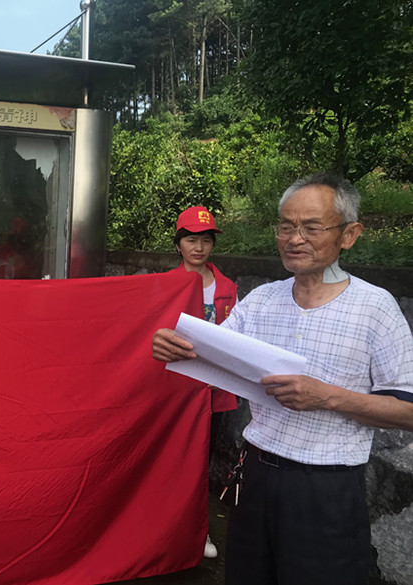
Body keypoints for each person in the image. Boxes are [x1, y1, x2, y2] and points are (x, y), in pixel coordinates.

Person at [152, 173, 413, 585]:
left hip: (325, 489)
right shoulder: (261, 301)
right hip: (255, 475)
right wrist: (174, 345)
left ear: (349, 235)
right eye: (286, 226)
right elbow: (212, 353)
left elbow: (407, 411)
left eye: (312, 227)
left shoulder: (375, 308)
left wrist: (327, 397)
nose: (295, 239)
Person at [171, 206, 238, 558]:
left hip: (213, 392)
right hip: (175, 391)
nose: (199, 248)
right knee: (171, 459)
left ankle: (200, 531)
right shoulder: (164, 285)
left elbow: (237, 340)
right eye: (191, 240)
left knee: (201, 461)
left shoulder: (228, 289)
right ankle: (167, 527)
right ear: (178, 245)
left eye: (206, 240)